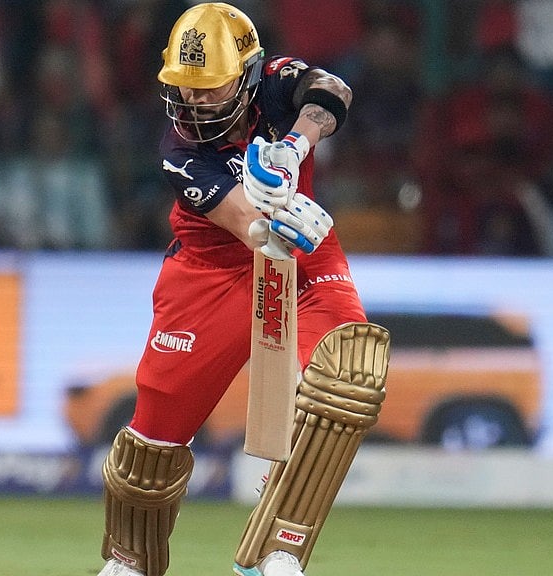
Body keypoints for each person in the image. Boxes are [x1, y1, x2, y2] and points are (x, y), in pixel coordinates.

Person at [96, 4, 391, 576]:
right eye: (184, 87)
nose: (194, 101)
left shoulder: (276, 84)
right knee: (153, 440)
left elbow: (334, 90)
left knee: (349, 374)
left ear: (247, 75)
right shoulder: (178, 150)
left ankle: (279, 552)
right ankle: (130, 560)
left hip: (304, 257)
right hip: (212, 272)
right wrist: (275, 215)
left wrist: (297, 144)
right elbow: (249, 227)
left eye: (209, 87)